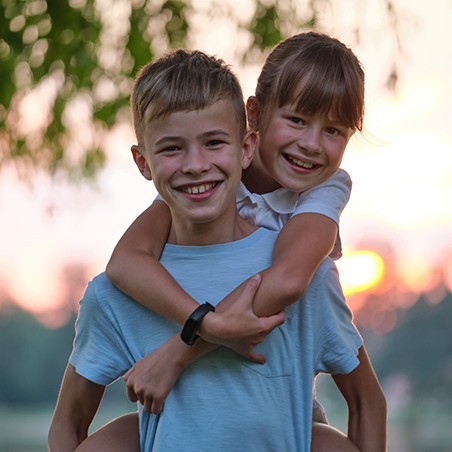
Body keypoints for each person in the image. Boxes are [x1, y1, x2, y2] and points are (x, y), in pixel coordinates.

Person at [49, 48, 386, 451]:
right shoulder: (119, 293)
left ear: (245, 146)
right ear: (144, 162)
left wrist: (181, 348)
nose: (195, 165)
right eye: (172, 149)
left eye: (213, 142)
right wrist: (206, 325)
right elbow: (67, 426)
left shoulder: (311, 263)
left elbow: (366, 400)